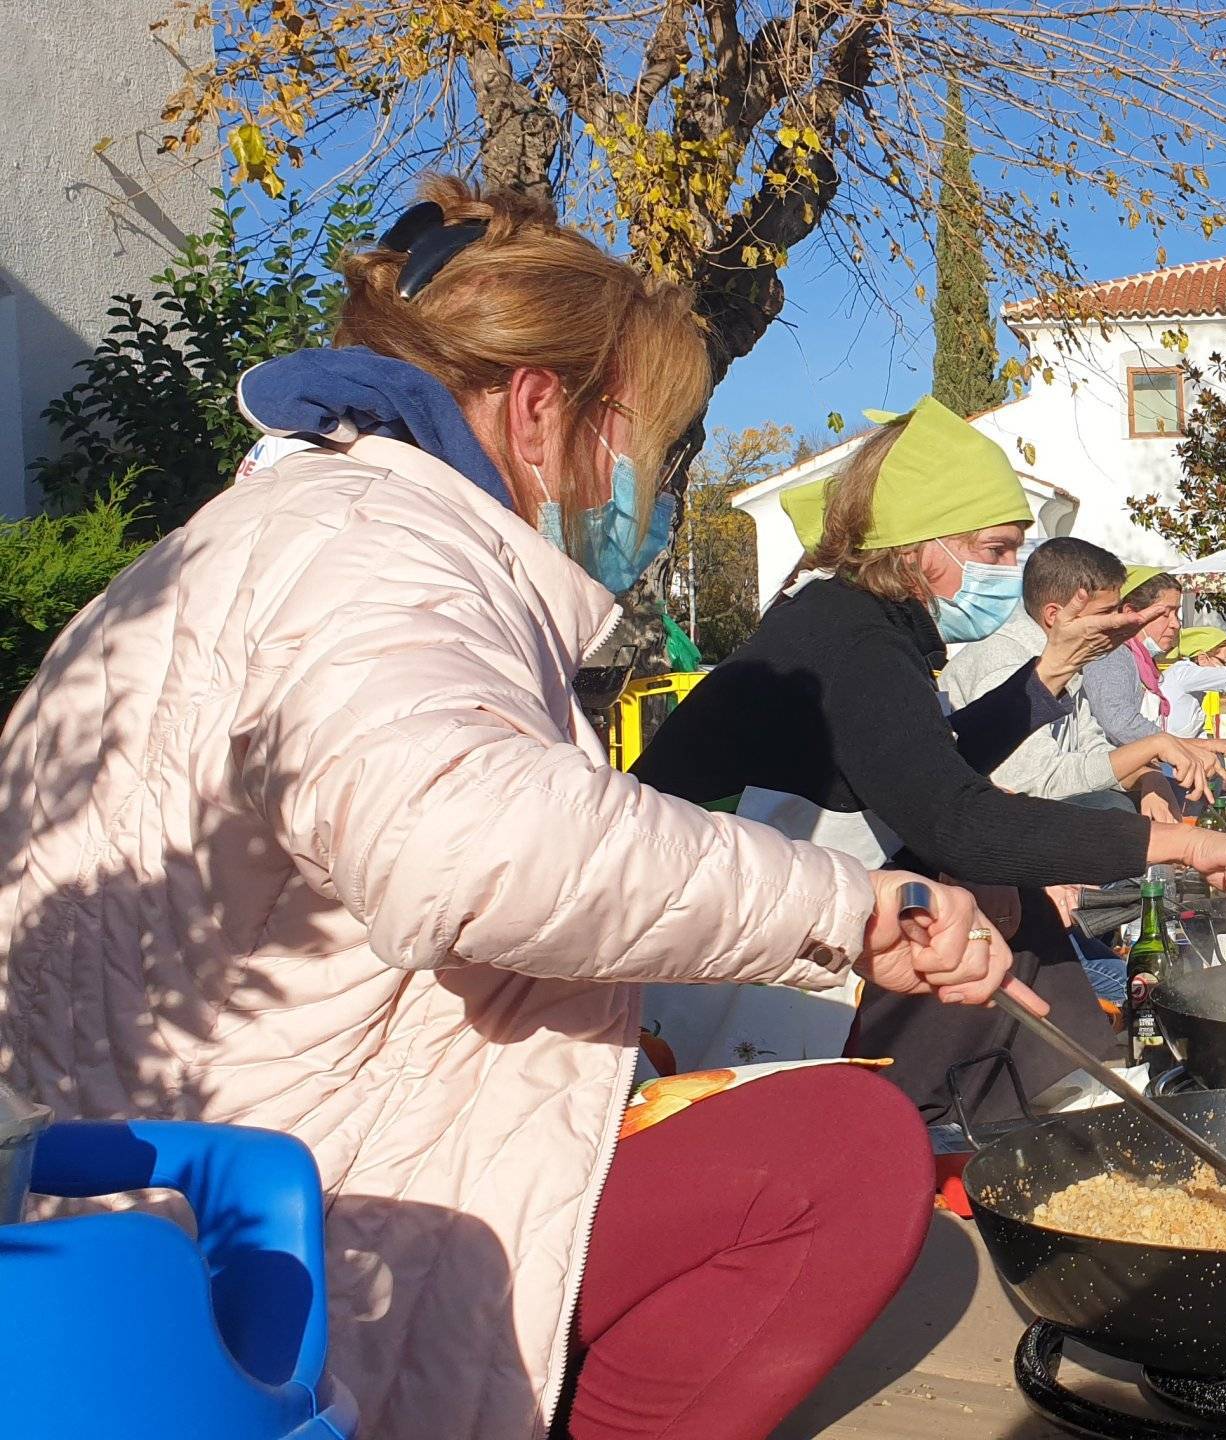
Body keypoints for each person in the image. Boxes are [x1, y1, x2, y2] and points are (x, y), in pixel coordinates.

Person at [0, 178, 1028, 1440]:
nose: (645, 488)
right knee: (845, 1157)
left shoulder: (262, 535)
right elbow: (461, 841)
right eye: (647, 445)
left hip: (153, 1171)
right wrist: (841, 905)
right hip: (278, 1222)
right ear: (544, 410)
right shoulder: (378, 550)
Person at [629, 399, 1226, 1118]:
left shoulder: (854, 620)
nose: (1012, 574)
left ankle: (1047, 1111)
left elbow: (931, 759)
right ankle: (1015, 1131)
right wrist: (1186, 844)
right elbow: (957, 821)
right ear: (919, 546)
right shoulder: (850, 641)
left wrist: (1049, 674)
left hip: (763, 907)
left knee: (1019, 924)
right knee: (998, 939)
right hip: (696, 951)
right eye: (995, 551)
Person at [939, 538, 1226, 815]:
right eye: (1107, 612)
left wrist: (1146, 776)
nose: (1117, 622)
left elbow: (1091, 746)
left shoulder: (1069, 661)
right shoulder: (1004, 663)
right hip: (985, 828)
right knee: (1109, 807)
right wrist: (1153, 746)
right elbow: (1036, 783)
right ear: (1055, 616)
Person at [1088, 565, 1184, 745]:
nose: (1175, 624)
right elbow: (1119, 723)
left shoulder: (1141, 660)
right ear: (1131, 613)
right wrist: (1181, 747)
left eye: (1176, 614)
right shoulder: (1112, 655)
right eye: (1165, 614)